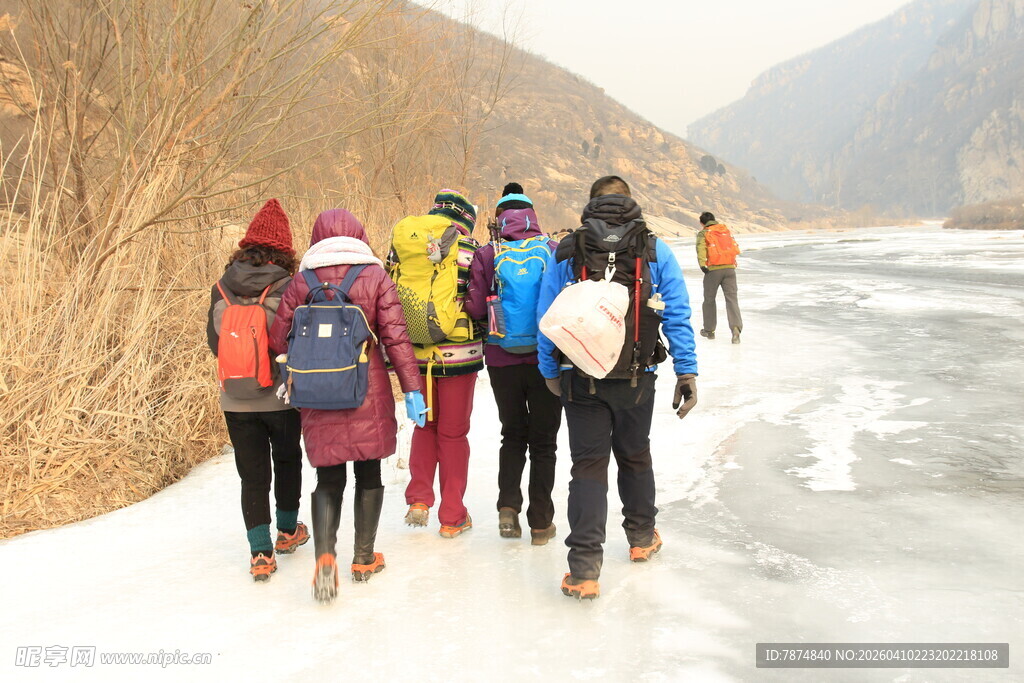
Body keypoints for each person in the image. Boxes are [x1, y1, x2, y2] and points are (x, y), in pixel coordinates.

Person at [536, 176, 698, 600]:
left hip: (579, 375)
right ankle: (641, 538)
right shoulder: (654, 248)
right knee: (635, 454)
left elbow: (547, 314)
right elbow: (677, 313)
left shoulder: (568, 249)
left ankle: (584, 570)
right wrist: (686, 371)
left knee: (588, 466)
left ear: (591, 204)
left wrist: (549, 370)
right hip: (637, 376)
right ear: (630, 202)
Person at [268, 208, 423, 604]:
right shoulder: (375, 276)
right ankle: (364, 558)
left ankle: (325, 560)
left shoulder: (301, 281)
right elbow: (396, 338)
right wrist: (412, 389)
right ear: (359, 236)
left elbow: (278, 338)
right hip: (365, 388)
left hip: (316, 391)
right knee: (368, 472)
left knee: (328, 476)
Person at [207, 198, 308, 582]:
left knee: (252, 476)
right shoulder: (290, 286)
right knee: (287, 460)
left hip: (235, 397)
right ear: (285, 250)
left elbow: (214, 342)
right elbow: (296, 339)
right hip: (280, 396)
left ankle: (260, 554)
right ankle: (287, 531)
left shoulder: (222, 287)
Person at [465, 183, 561, 545]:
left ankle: (508, 507)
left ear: (500, 218)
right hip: (546, 359)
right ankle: (541, 524)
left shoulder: (488, 253)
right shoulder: (552, 249)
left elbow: (477, 307)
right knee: (544, 442)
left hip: (501, 358)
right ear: (532, 215)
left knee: (513, 434)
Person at [390, 190, 482, 538]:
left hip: (415, 353)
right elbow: (477, 303)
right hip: (459, 354)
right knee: (453, 433)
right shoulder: (469, 249)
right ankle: (452, 516)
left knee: (424, 426)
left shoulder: (404, 245)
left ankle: (418, 499)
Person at [695, 211, 743, 343]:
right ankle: (736, 329)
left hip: (713, 270)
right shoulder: (724, 231)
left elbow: (701, 249)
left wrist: (702, 264)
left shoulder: (704, 233)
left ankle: (709, 330)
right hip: (730, 269)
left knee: (709, 300)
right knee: (732, 300)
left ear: (702, 223)